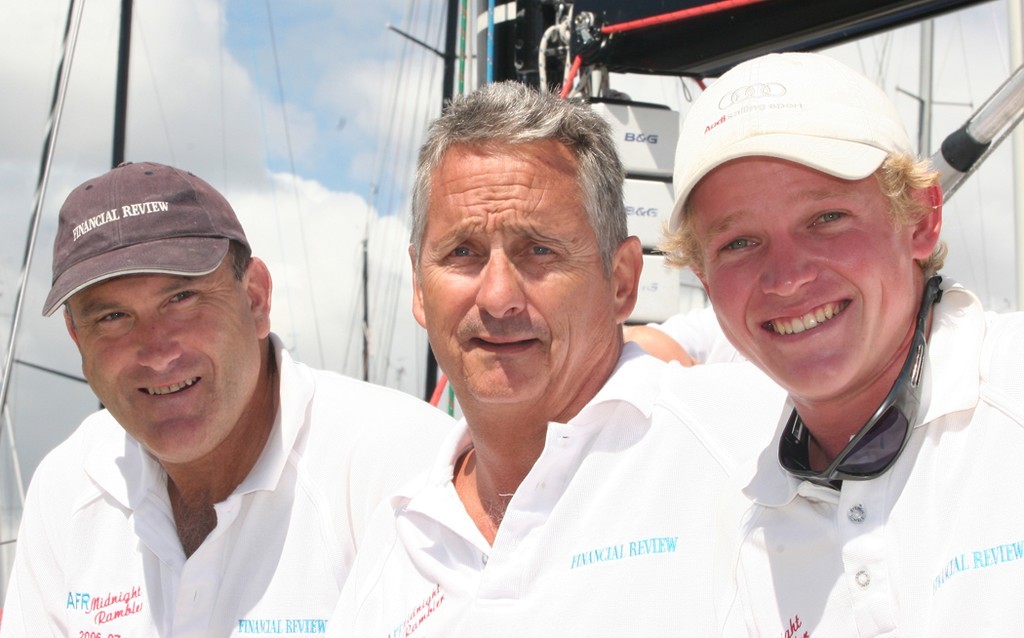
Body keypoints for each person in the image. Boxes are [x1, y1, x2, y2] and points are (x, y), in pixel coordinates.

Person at [327, 81, 785, 636]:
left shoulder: (750, 450)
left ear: (622, 281)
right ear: (420, 291)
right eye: (462, 253)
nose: (498, 297)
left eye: (539, 250)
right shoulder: (399, 535)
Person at [0, 162, 454, 636]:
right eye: (113, 317)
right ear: (77, 339)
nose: (156, 353)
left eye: (182, 299)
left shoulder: (402, 467)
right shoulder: (66, 486)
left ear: (256, 298)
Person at [663, 51, 1024, 636]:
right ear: (705, 282)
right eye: (738, 243)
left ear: (922, 220)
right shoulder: (729, 537)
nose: (786, 277)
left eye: (826, 218)